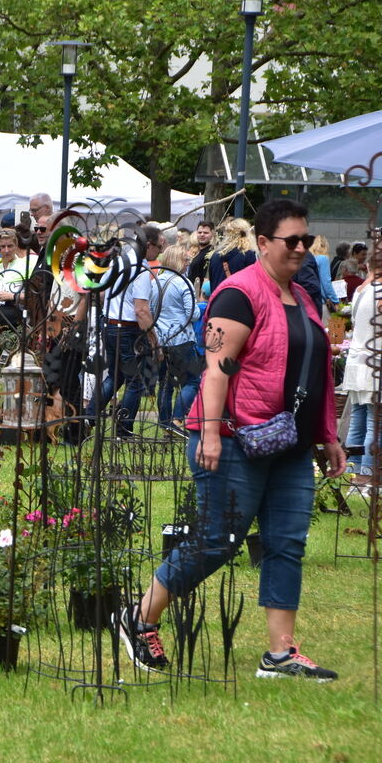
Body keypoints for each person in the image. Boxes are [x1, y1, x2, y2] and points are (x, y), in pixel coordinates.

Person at [118, 199, 344, 681]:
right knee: (215, 542)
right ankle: (139, 617)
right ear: (263, 243)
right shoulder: (238, 294)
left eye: (307, 240)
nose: (301, 248)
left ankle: (281, 654)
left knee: (286, 544)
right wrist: (212, 431)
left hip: (291, 445)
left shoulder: (302, 299)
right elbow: (217, 369)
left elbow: (315, 372)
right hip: (236, 438)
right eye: (292, 241)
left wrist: (328, 436)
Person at [89, 225, 161, 436]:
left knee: (115, 376)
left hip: (110, 325)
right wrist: (155, 342)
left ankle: (88, 417)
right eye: (159, 247)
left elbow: (100, 292)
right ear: (148, 245)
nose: (160, 252)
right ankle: (123, 427)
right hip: (128, 330)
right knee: (135, 381)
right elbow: (141, 310)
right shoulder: (140, 269)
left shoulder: (119, 262)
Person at [342, 245, 380, 486]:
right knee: (375, 423)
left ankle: (352, 475)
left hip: (357, 358)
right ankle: (368, 475)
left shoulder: (361, 290)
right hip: (373, 360)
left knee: (358, 418)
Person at [152, 245, 201, 430]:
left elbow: (150, 311)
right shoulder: (183, 282)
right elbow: (193, 314)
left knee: (165, 384)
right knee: (192, 381)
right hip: (181, 339)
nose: (188, 264)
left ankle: (164, 424)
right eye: (186, 260)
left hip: (161, 339)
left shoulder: (156, 281)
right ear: (179, 261)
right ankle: (177, 418)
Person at [0, 228, 38, 330]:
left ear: (16, 246)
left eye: (10, 246)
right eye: (2, 246)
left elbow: (35, 297)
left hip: (16, 318)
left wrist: (12, 296)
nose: (6, 250)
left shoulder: (26, 265)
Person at [206, 218, 255, 291]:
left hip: (217, 299)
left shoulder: (215, 255)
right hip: (238, 300)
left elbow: (212, 282)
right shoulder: (248, 254)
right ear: (246, 233)